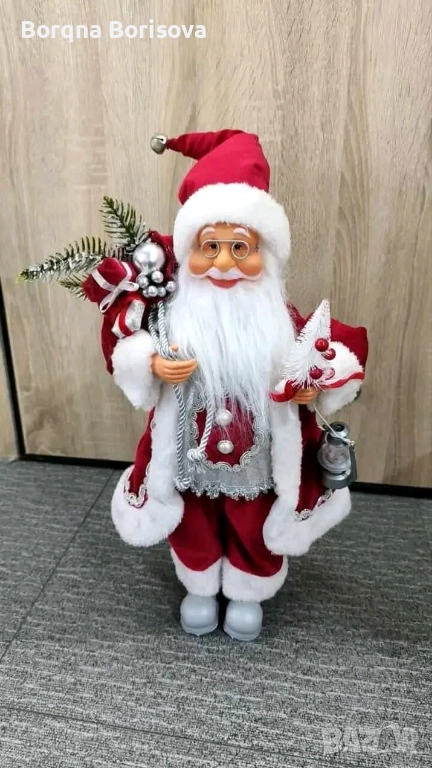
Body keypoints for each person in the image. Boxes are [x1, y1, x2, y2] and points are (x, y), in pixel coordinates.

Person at [101, 130, 368, 641]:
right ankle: (200, 585)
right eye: (210, 248)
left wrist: (311, 387)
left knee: (254, 521)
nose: (224, 263)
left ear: (265, 252)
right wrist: (151, 363)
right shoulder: (170, 316)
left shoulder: (280, 322)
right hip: (187, 456)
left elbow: (323, 353)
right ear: (189, 251)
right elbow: (123, 345)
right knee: (192, 520)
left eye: (239, 248)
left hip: (257, 460)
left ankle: (248, 590)